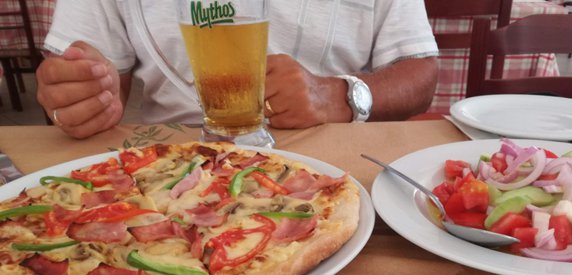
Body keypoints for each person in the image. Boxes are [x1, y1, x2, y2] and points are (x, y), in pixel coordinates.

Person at [36, 0, 439, 139]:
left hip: (332, 164)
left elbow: (420, 74)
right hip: (167, 171)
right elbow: (82, 74)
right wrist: (80, 95)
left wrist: (338, 96)